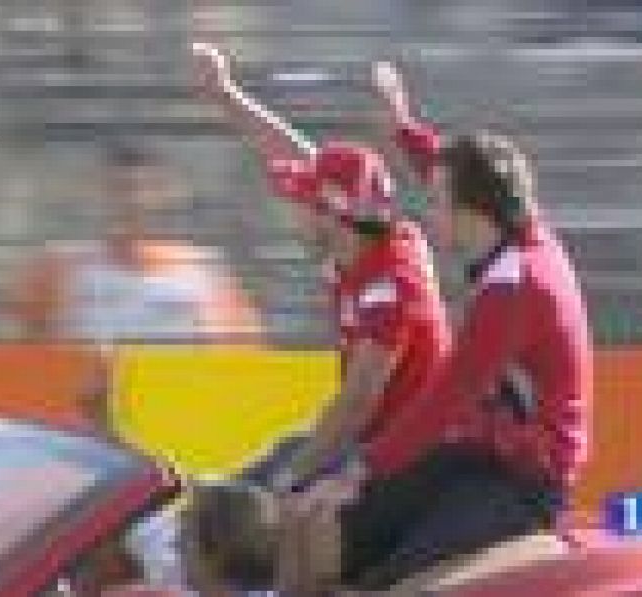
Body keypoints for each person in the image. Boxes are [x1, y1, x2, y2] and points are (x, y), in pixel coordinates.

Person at [314, 62, 594, 590]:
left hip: (526, 479)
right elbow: (448, 168)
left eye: (438, 202)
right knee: (352, 539)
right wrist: (404, 127)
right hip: (482, 452)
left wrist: (358, 470)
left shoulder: (512, 289)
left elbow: (445, 400)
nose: (428, 211)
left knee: (395, 579)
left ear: (473, 212)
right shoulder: (518, 227)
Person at [191, 44, 452, 593]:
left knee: (253, 519)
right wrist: (226, 95)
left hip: (402, 453)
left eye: (305, 203)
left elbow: (358, 402)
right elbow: (290, 148)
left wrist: (291, 480)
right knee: (218, 506)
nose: (293, 210)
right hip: (371, 437)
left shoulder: (391, 284)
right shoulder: (356, 235)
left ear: (334, 216)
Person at [13, 143, 264, 436]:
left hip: (178, 428)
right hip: (83, 431)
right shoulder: (58, 269)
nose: (131, 201)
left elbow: (242, 361)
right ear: (97, 195)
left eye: (143, 189)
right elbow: (28, 361)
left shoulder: (204, 271)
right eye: (117, 190)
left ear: (166, 194)